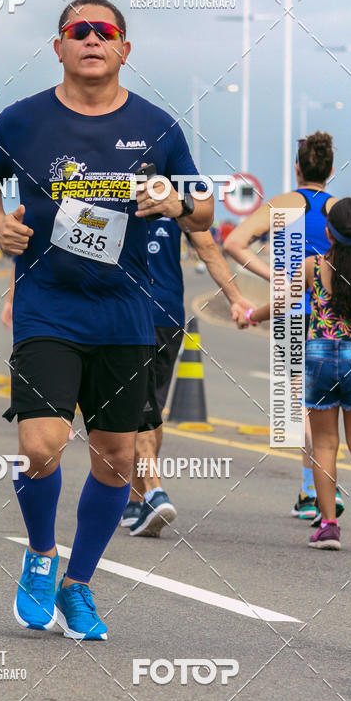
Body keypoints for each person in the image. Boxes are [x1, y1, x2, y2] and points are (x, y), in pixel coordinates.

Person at [0, 0, 213, 640]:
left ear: (125, 49)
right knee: (40, 445)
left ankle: (80, 587)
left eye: (107, 31)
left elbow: (206, 210)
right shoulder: (22, 120)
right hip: (50, 305)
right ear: (60, 47)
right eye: (80, 30)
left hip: (128, 311)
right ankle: (42, 556)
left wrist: (174, 200)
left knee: (116, 457)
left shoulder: (158, 126)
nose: (93, 39)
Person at [240, 198, 351, 551]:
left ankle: (329, 525)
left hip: (318, 358)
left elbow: (281, 305)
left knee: (325, 444)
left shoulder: (312, 268)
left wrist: (252, 315)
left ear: (329, 231)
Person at [224, 131, 343, 522]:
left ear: (297, 168)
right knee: (324, 409)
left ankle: (326, 486)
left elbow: (235, 243)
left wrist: (275, 275)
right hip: (336, 317)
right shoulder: (341, 209)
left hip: (292, 313)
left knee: (299, 412)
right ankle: (310, 492)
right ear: (329, 170)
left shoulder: (282, 205)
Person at [123, 224, 254, 537]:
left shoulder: (118, 195)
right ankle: (135, 499)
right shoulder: (176, 206)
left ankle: (154, 493)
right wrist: (235, 297)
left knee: (135, 412)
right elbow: (209, 250)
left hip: (130, 318)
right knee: (150, 412)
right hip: (168, 318)